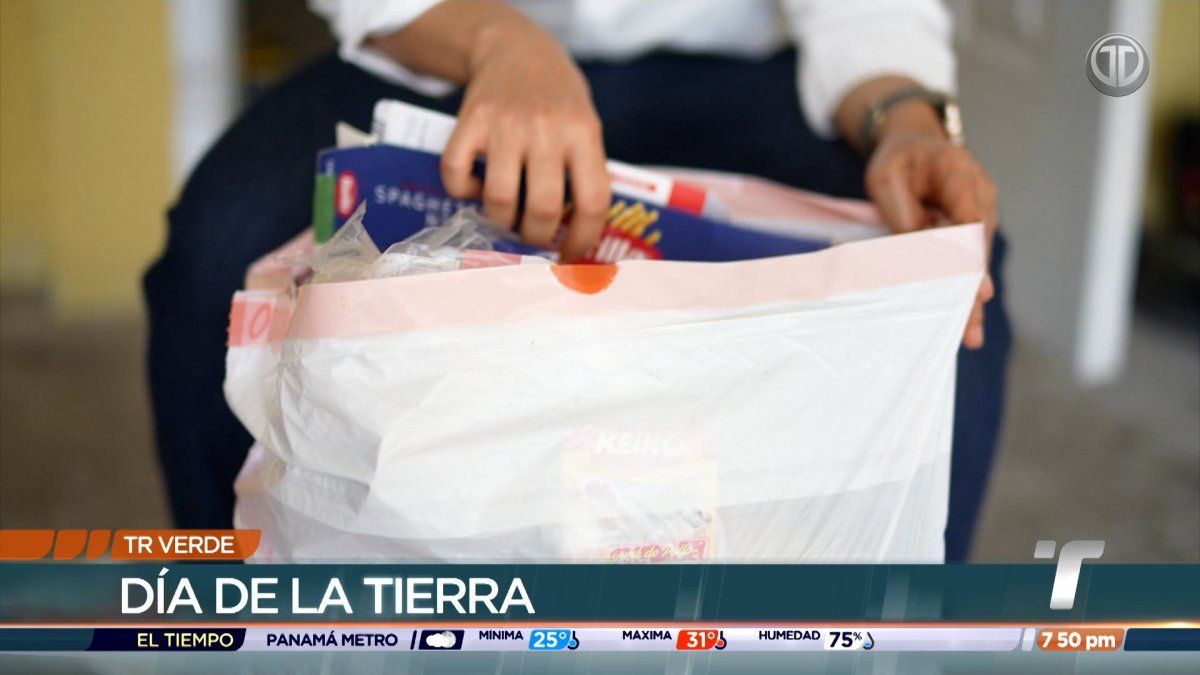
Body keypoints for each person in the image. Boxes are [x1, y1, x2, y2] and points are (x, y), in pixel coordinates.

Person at [144, 0, 1010, 561]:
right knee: (216, 254)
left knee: (940, 282)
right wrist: (499, 41)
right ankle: (242, 624)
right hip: (445, 39)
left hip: (740, 68)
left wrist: (901, 116)